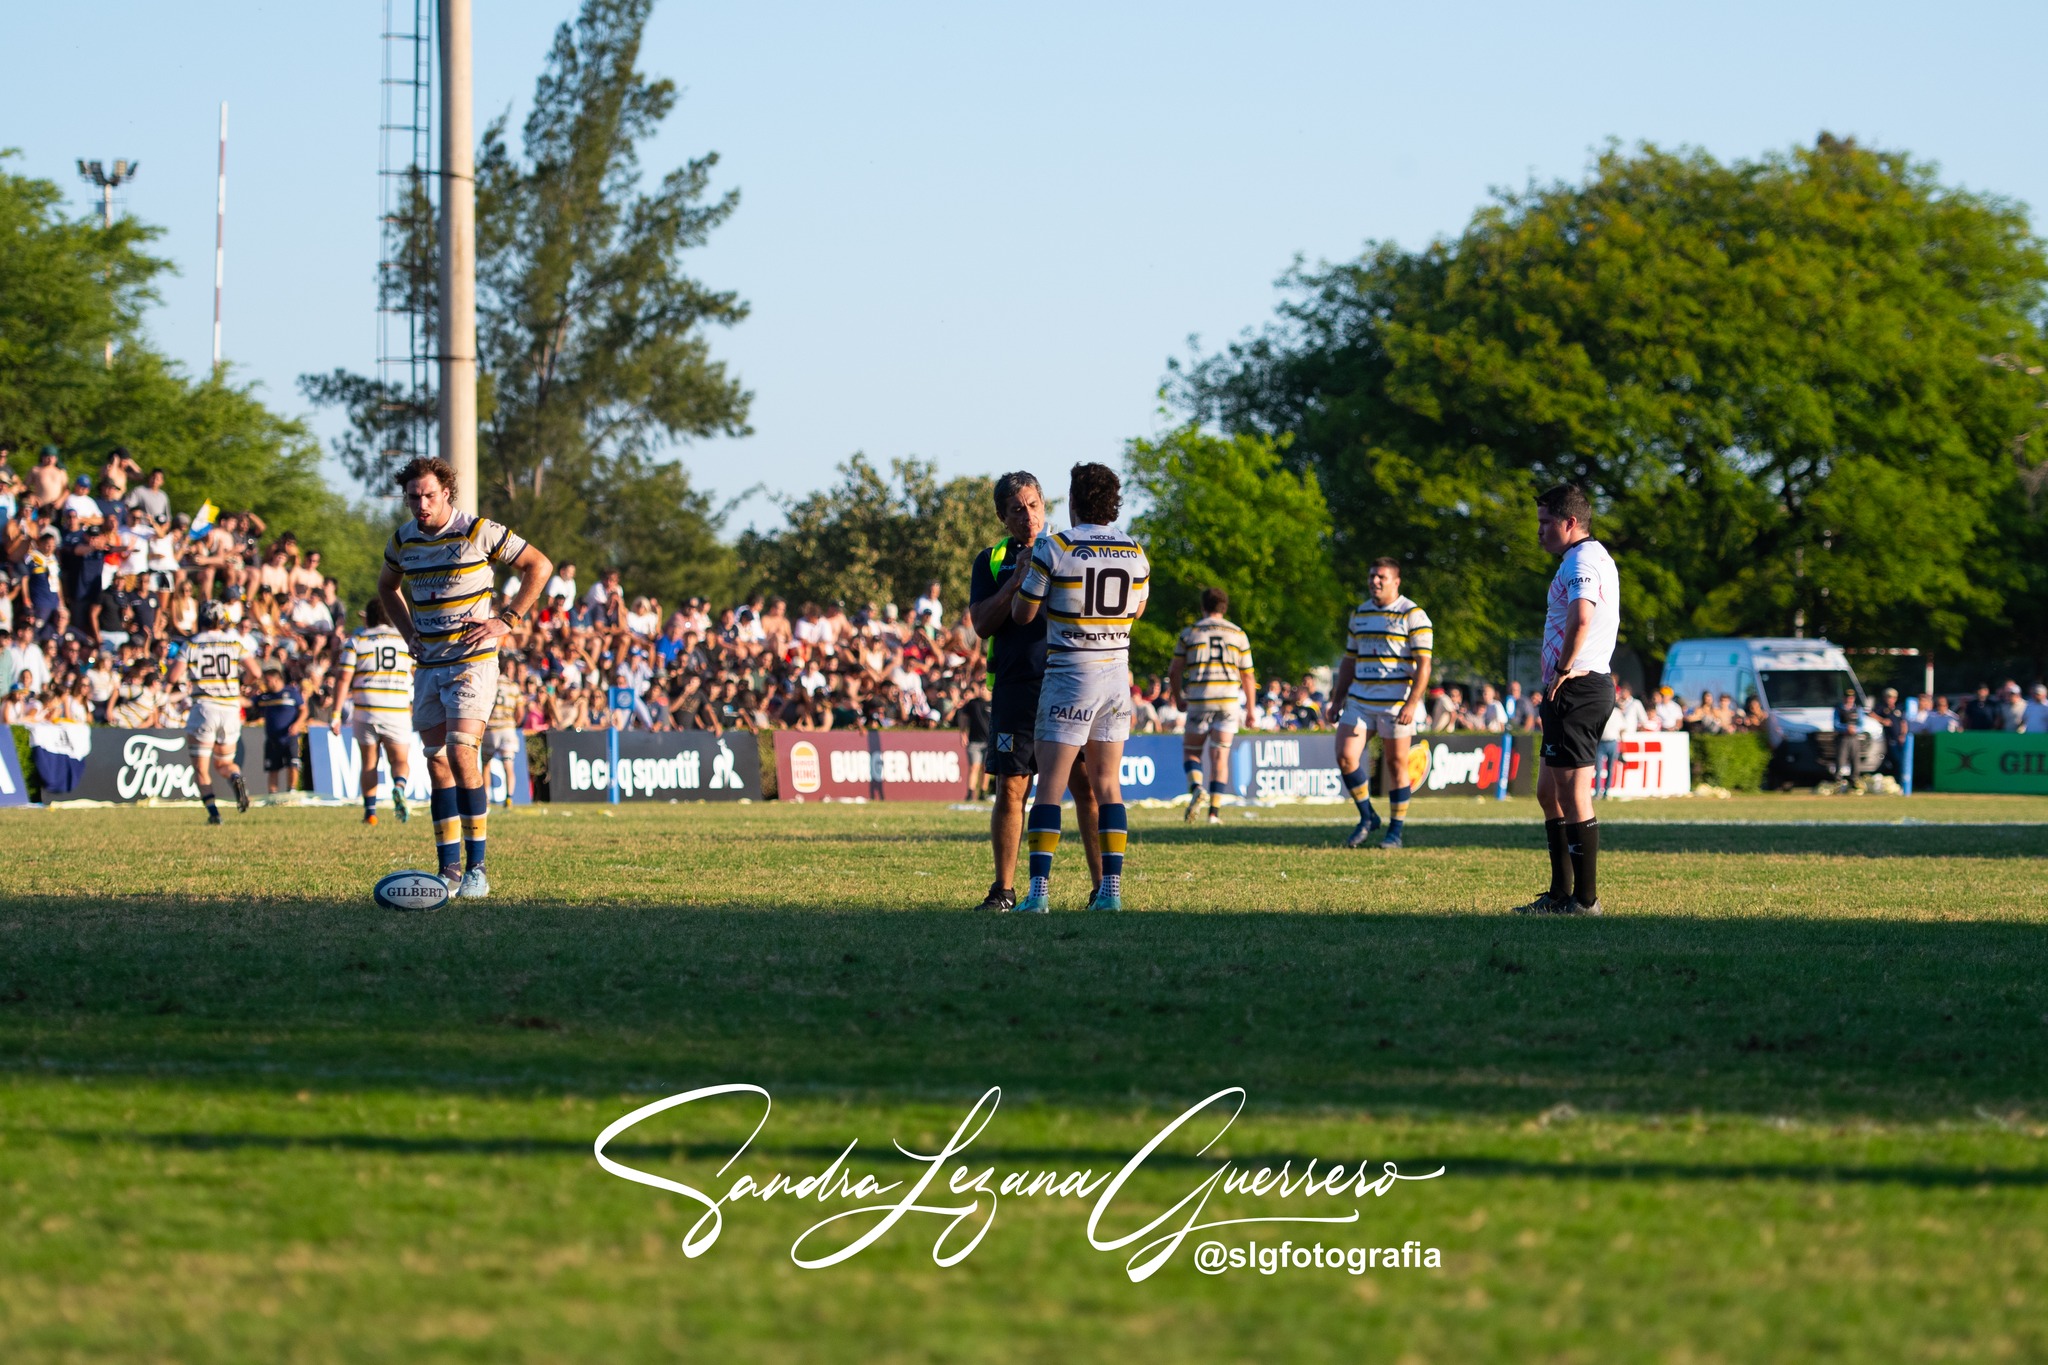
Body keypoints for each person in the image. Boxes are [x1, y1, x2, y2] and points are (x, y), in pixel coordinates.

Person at [376, 456, 552, 897]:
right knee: (436, 763)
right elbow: (385, 588)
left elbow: (540, 565)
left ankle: (478, 868)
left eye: (429, 495)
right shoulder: (402, 541)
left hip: (472, 661)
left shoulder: (478, 530)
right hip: (429, 663)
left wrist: (507, 619)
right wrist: (408, 631)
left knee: (460, 753)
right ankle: (448, 870)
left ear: (446, 493)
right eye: (413, 497)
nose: (421, 504)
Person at [1009, 462, 1147, 912]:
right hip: (1116, 675)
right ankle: (1110, 893)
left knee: (1049, 783)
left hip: (1070, 672)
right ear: (1114, 502)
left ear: (1073, 501)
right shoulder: (1136, 551)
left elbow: (1023, 615)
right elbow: (1136, 612)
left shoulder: (1057, 546)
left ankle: (1039, 893)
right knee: (1108, 786)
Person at [966, 471, 1101, 912]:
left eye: (1034, 505)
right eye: (1017, 509)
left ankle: (1102, 888)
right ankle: (1002, 890)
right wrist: (1014, 582)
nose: (1028, 516)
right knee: (1011, 788)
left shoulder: (1069, 550)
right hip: (1015, 688)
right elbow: (982, 624)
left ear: (1046, 505)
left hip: (1069, 682)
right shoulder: (991, 559)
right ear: (1002, 517)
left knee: (1086, 787)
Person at [1515, 484, 1619, 916]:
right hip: (1570, 687)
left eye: (1545, 523)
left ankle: (1585, 901)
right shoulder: (1585, 558)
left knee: (1574, 792)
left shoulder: (1582, 559)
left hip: (1576, 686)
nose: (1539, 532)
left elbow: (1581, 615)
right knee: (1548, 791)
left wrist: (1561, 670)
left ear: (1570, 523)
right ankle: (1560, 893)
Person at [1326, 557, 1433, 850]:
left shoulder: (1413, 615)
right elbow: (1349, 661)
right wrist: (1337, 699)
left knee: (1396, 764)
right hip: (1360, 699)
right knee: (1345, 756)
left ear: (1396, 581)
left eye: (1381, 577)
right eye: (1372, 576)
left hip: (1395, 702)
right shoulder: (1359, 614)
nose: (1375, 581)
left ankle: (1395, 832)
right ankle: (1368, 816)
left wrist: (1412, 703)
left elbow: (1424, 665)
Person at [1169, 587, 1255, 825]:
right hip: (1228, 701)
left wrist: (1178, 697)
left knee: (1191, 752)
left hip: (1200, 699)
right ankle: (1214, 814)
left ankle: (1197, 787)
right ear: (1224, 607)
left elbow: (1174, 670)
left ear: (1202, 607)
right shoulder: (1238, 634)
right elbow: (1247, 675)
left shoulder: (1190, 633)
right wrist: (1250, 710)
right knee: (1220, 757)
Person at [167, 600, 258, 824]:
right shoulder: (234, 642)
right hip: (230, 708)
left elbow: (172, 677)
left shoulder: (192, 644)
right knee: (224, 763)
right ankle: (235, 776)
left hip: (205, 707)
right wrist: (242, 683)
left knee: (201, 768)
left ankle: (214, 813)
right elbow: (255, 672)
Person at [332, 598, 416, 825]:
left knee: (369, 761)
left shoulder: (357, 640)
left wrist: (336, 713)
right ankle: (399, 785)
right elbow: (418, 674)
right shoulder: (405, 640)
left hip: (366, 708)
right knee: (400, 760)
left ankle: (370, 813)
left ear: (368, 617)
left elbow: (343, 678)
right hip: (397, 708)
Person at [253, 660, 306, 795]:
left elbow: (304, 710)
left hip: (290, 737)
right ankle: (273, 794)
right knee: (272, 768)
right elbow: (249, 703)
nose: (266, 683)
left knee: (292, 765)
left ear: (276, 680)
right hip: (272, 738)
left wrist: (297, 724)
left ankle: (291, 790)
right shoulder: (265, 697)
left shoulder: (291, 693)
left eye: (268, 681)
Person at [485, 649, 525, 807]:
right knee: (508, 764)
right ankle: (509, 797)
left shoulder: (491, 684)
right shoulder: (513, 687)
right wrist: (513, 722)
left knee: (485, 764)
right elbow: (520, 713)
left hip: (491, 728)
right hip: (507, 728)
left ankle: (485, 798)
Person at [1832, 689, 1865, 784]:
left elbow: (1861, 725)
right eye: (1847, 697)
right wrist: (1846, 728)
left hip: (1854, 737)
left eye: (1851, 698)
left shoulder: (1858, 709)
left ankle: (1854, 779)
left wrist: (1855, 729)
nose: (1849, 699)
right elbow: (1836, 724)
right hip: (1843, 737)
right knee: (1840, 759)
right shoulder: (1838, 709)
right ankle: (1838, 780)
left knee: (1855, 759)